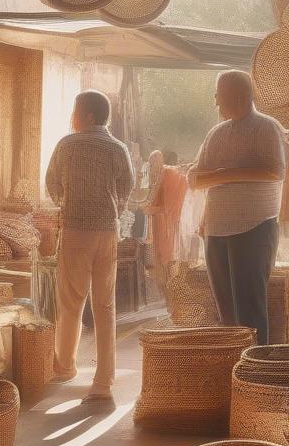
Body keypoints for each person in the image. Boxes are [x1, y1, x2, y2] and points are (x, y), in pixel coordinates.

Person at [45, 89, 135, 405]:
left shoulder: (67, 144)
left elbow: (52, 184)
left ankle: (66, 365)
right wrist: (113, 209)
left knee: (71, 301)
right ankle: (103, 381)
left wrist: (67, 203)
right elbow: (127, 187)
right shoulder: (118, 147)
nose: (72, 117)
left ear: (88, 116)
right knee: (105, 305)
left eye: (74, 110)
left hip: (76, 231)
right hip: (107, 232)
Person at [188, 70, 286, 344]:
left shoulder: (267, 127)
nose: (217, 103)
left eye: (220, 97)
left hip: (254, 225)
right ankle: (233, 369)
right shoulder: (216, 133)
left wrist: (222, 175)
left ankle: (256, 370)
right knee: (226, 311)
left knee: (251, 308)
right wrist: (228, 176)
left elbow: (274, 172)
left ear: (241, 96)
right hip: (217, 229)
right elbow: (194, 178)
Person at [144, 150, 188, 293]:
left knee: (165, 255)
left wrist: (150, 208)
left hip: (162, 220)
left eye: (153, 162)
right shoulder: (164, 177)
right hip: (162, 220)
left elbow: (159, 204)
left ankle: (169, 289)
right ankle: (167, 289)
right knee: (163, 255)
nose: (152, 166)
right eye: (151, 163)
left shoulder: (165, 175)